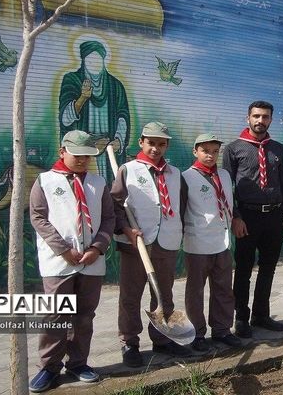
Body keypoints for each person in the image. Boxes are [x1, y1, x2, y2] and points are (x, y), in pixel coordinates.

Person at [28, 130, 115, 393]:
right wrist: (63, 249)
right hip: (59, 262)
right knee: (56, 315)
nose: (81, 160)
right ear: (62, 151)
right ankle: (49, 367)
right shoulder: (44, 181)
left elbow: (109, 219)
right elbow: (38, 217)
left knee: (84, 315)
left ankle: (78, 363)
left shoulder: (98, 184)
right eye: (76, 155)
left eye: (87, 156)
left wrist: (97, 248)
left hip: (91, 262)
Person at [111, 121, 191, 368]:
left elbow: (181, 205)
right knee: (131, 295)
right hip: (137, 244)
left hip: (166, 241)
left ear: (166, 145)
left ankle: (162, 338)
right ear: (141, 143)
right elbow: (115, 205)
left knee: (164, 293)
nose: (156, 148)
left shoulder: (175, 174)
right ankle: (130, 342)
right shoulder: (128, 170)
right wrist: (125, 229)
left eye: (161, 144)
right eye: (151, 143)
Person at [222, 100, 283, 338]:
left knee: (268, 268)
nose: (260, 121)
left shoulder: (278, 148)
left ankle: (261, 315)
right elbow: (227, 187)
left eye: (265, 117)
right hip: (247, 217)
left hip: (273, 216)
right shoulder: (234, 148)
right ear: (248, 118)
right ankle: (241, 318)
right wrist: (235, 216)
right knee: (243, 269)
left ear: (270, 120)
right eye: (256, 116)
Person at [182, 133, 242, 352]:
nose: (210, 155)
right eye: (205, 151)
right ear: (195, 151)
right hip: (198, 242)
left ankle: (222, 329)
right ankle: (196, 334)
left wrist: (235, 218)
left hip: (222, 241)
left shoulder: (224, 175)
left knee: (223, 288)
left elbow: (229, 202)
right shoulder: (186, 177)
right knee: (196, 290)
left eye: (215, 151)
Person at [59, 40, 130, 184]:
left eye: (98, 60)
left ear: (104, 61)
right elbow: (65, 119)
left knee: (109, 187)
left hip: (108, 147)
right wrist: (83, 98)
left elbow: (123, 116)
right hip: (83, 150)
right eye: (90, 60)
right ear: (83, 61)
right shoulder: (72, 80)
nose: (94, 64)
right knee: (82, 186)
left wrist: (118, 141)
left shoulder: (115, 85)